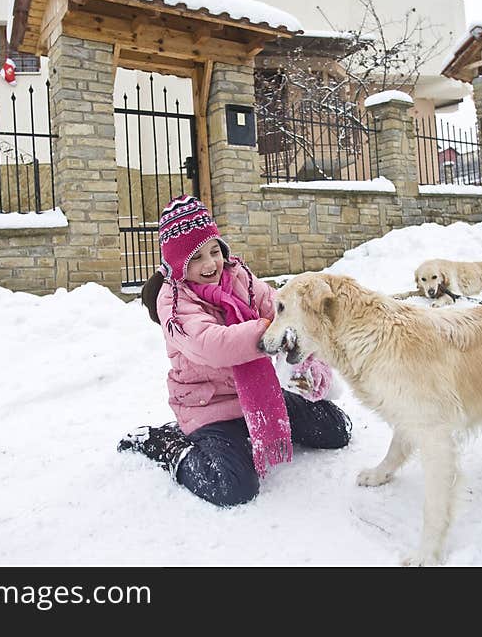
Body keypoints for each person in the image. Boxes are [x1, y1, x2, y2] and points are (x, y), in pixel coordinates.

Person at [118, 195, 351, 507]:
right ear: (178, 263)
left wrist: (305, 331)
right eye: (197, 257)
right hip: (211, 407)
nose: (211, 263)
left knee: (336, 430)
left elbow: (275, 305)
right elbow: (212, 345)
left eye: (214, 251)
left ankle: (254, 430)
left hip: (259, 395)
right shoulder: (174, 302)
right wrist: (269, 334)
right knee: (233, 485)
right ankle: (170, 444)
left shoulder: (239, 276)